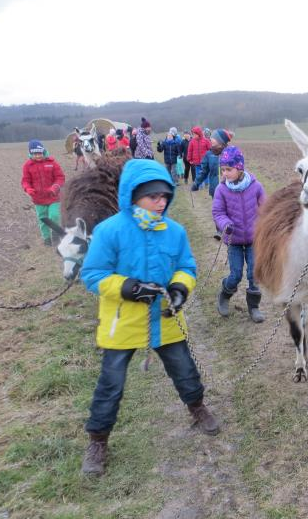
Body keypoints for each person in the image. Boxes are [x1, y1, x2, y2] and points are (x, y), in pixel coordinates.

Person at [79, 159, 221, 476]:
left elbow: (187, 267)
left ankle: (197, 408)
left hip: (165, 320)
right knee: (110, 384)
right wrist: (127, 287)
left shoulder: (175, 232)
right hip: (122, 324)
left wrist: (181, 288)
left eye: (164, 197)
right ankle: (98, 440)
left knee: (185, 370)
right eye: (153, 197)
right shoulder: (110, 231)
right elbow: (92, 275)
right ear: (133, 196)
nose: (160, 203)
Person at [211, 145, 266, 322]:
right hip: (233, 239)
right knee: (236, 275)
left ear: (239, 168)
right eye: (223, 169)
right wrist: (225, 224)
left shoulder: (256, 187)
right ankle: (224, 295)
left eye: (229, 169)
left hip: (253, 239)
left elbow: (266, 209)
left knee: (253, 274)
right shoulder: (221, 190)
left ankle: (254, 307)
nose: (225, 173)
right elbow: (218, 213)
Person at [21, 139, 65, 245]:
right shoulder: (27, 166)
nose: (38, 156)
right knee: (43, 220)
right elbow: (25, 181)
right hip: (38, 199)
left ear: (43, 151)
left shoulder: (52, 163)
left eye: (39, 153)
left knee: (54, 216)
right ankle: (47, 239)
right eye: (35, 154)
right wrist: (28, 189)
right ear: (31, 153)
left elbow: (60, 177)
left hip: (53, 197)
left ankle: (55, 235)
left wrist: (55, 187)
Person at [192, 128, 230, 197]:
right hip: (215, 191)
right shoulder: (209, 154)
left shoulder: (230, 153)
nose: (210, 139)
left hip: (228, 190)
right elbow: (204, 171)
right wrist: (196, 183)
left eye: (213, 138)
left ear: (220, 141)